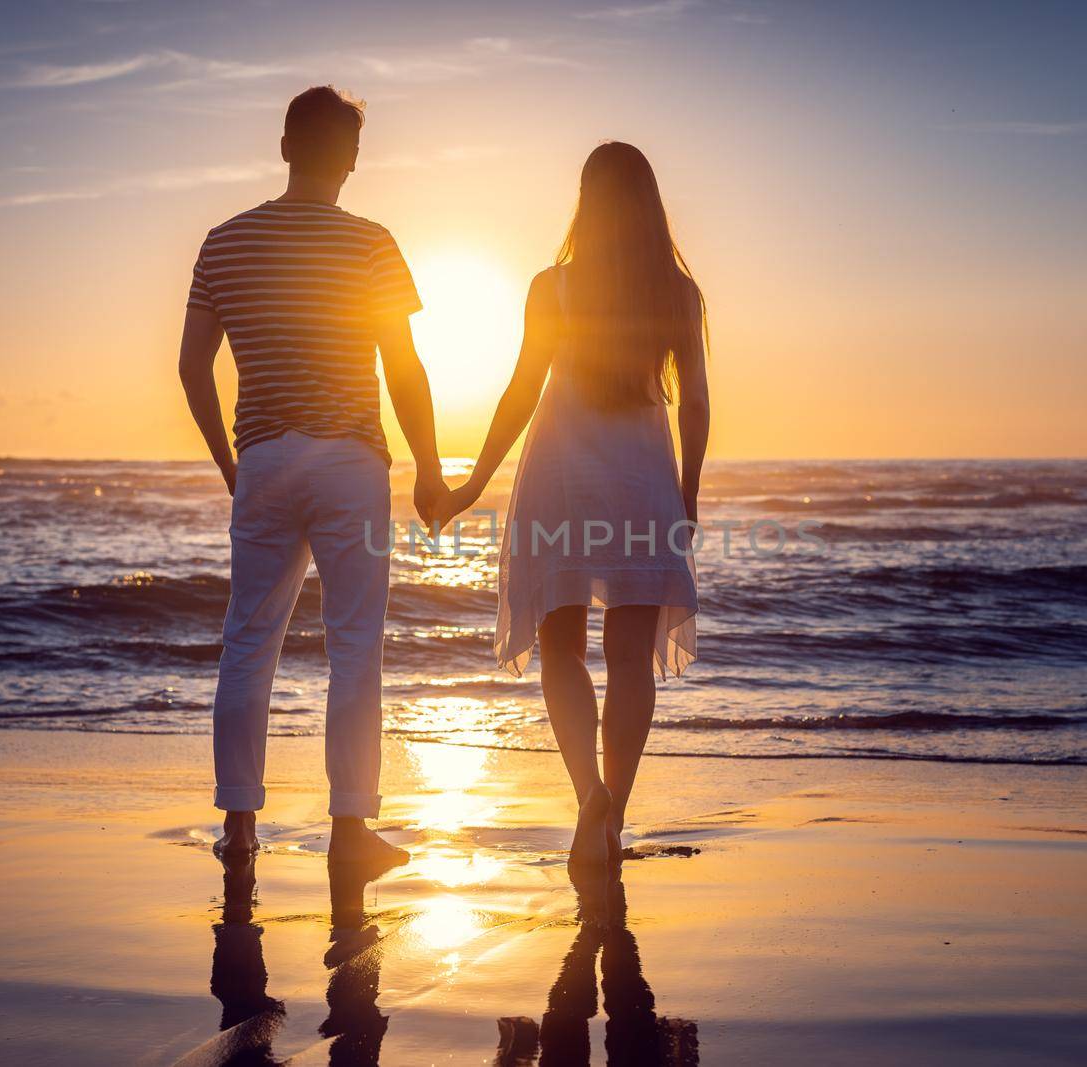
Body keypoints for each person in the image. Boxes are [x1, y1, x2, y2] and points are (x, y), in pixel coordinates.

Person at [178, 85, 447, 867]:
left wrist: (231, 460)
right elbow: (403, 366)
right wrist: (430, 464)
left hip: (264, 456)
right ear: (352, 160)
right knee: (355, 645)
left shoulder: (223, 241)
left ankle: (238, 827)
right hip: (349, 458)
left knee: (248, 639)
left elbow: (193, 367)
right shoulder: (370, 243)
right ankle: (351, 832)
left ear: (286, 145)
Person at [436, 142, 710, 870]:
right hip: (642, 487)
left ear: (585, 202)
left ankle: (588, 793)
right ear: (650, 204)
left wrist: (468, 486)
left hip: (559, 482)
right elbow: (699, 407)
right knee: (628, 659)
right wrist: (687, 495)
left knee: (561, 648)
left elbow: (520, 394)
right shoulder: (678, 294)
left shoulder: (550, 288)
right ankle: (613, 813)